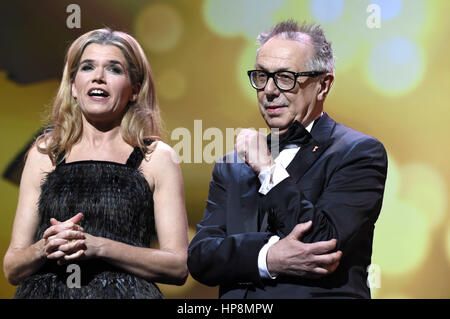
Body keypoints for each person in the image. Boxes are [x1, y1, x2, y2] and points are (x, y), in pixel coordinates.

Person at [187, 20, 387, 298]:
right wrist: (267, 258)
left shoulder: (358, 153)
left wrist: (267, 169)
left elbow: (322, 241)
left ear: (322, 85)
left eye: (285, 77)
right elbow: (200, 257)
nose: (269, 90)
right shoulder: (231, 165)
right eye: (261, 76)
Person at [3, 28, 189, 298]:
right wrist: (45, 247)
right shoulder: (45, 153)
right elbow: (12, 268)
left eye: (114, 69)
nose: (98, 77)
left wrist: (100, 247)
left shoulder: (156, 157)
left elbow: (178, 266)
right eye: (88, 67)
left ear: (134, 90)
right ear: (73, 86)